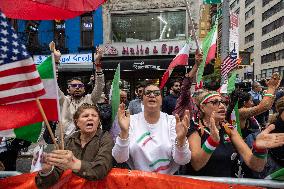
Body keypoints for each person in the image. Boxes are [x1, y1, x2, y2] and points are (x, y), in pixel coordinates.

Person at [185, 90, 284, 177]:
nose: (222, 106)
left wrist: (260, 150)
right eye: (215, 102)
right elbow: (196, 164)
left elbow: (256, 166)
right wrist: (212, 141)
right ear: (202, 107)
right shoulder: (195, 128)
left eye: (223, 102)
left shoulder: (228, 128)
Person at [112, 84, 191, 174]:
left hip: (166, 182)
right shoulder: (131, 121)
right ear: (142, 100)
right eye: (148, 93)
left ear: (161, 100)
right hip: (138, 181)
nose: (152, 95)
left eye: (156, 93)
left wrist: (181, 140)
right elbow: (119, 158)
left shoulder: (172, 122)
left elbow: (183, 160)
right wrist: (124, 132)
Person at [35, 104, 114, 189]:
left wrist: (73, 164)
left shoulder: (105, 138)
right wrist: (47, 171)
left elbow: (101, 169)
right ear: (77, 122)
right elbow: (46, 183)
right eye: (85, 116)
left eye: (94, 116)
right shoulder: (68, 141)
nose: (90, 118)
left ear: (98, 121)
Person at [56, 47, 105, 136]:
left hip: (91, 139)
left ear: (84, 89)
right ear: (68, 90)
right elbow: (53, 87)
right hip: (67, 140)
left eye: (80, 86)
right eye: (74, 86)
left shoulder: (90, 99)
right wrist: (55, 62)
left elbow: (100, 86)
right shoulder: (64, 100)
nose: (77, 88)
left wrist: (97, 64)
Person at [237, 73, 281, 138]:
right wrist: (271, 87)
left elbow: (268, 106)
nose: (253, 103)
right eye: (251, 100)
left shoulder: (244, 110)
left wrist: (274, 89)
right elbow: (264, 106)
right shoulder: (241, 111)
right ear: (244, 103)